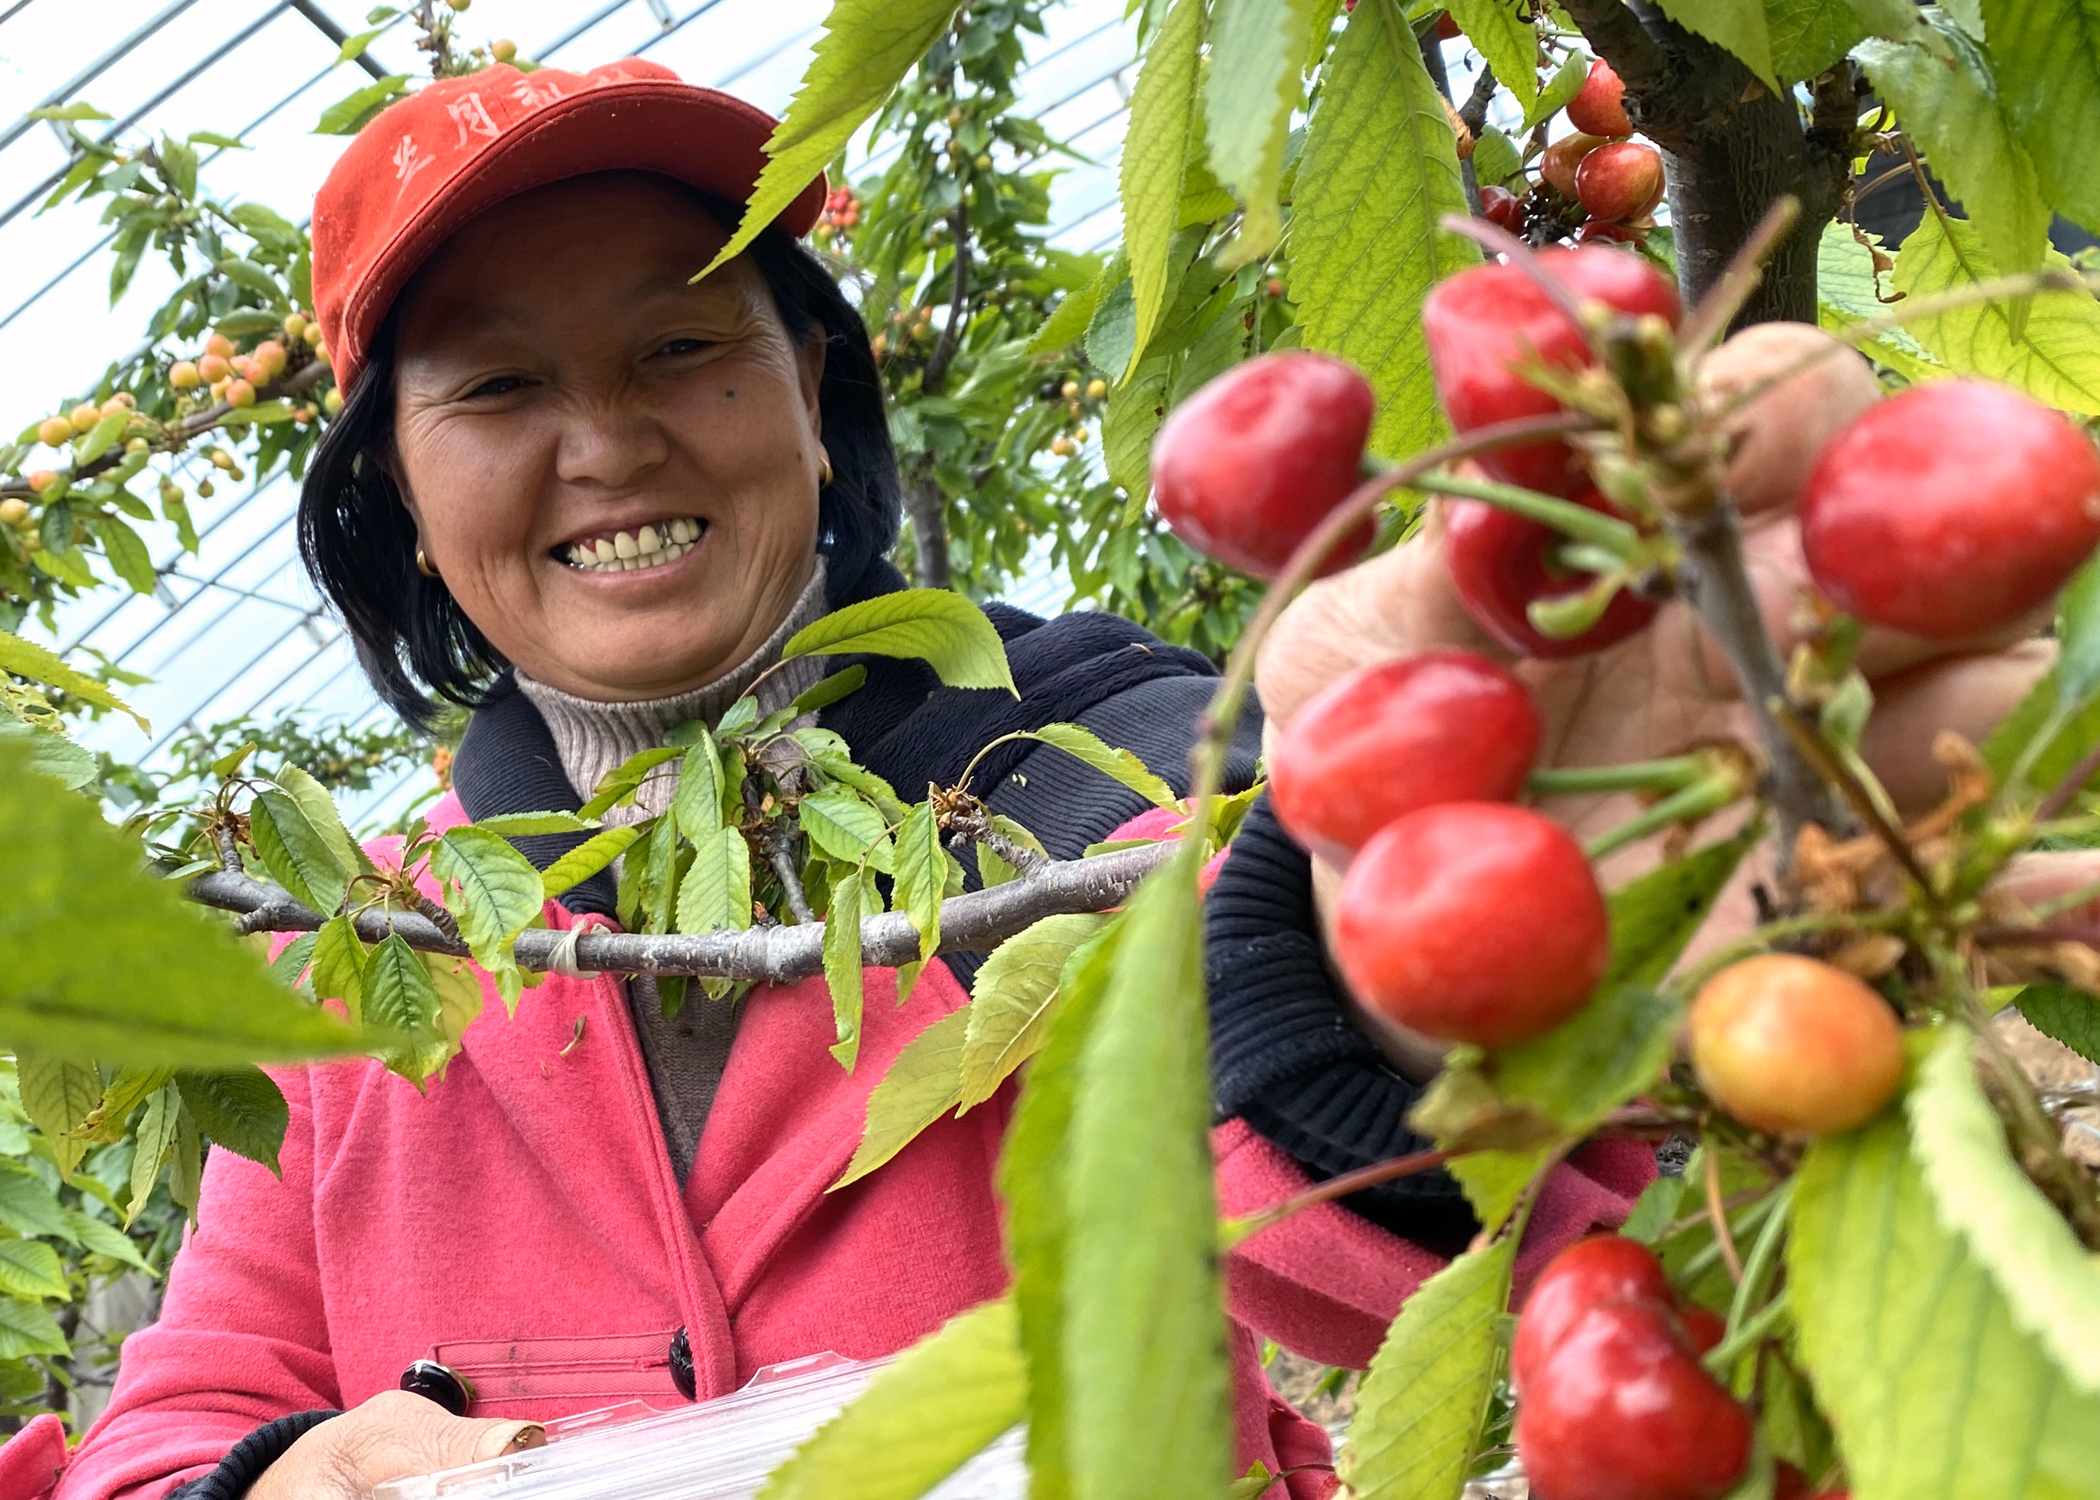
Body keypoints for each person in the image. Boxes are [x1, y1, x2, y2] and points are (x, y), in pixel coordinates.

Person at [42, 58, 2052, 1500]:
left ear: (818, 403)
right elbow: (159, 1435)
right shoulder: (364, 954)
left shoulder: (1075, 785)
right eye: (495, 386)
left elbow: (1385, 1244)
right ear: (392, 484)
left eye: (683, 349)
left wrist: (1400, 928)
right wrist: (289, 1476)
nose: (607, 443)